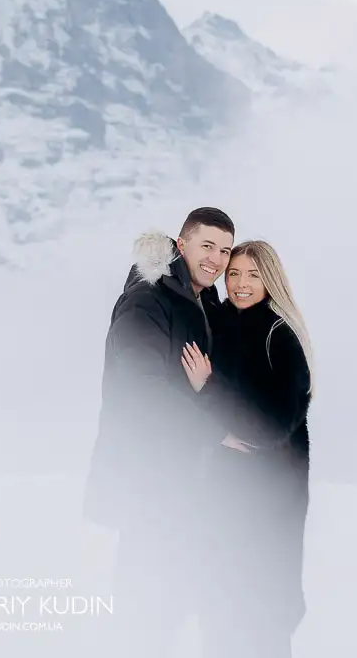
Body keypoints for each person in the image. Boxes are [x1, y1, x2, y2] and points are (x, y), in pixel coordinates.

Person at [82, 206, 235, 656]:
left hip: (184, 478)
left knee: (177, 601)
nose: (217, 259)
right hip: (149, 477)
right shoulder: (148, 300)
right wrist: (214, 431)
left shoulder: (198, 300)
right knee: (146, 604)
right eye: (207, 245)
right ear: (181, 243)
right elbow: (140, 390)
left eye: (224, 250)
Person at [181, 240, 314, 657]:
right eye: (234, 273)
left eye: (253, 275)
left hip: (268, 506)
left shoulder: (279, 336)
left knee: (260, 620)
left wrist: (210, 388)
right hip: (225, 500)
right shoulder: (219, 323)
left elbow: (270, 426)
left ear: (271, 281)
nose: (240, 284)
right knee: (219, 616)